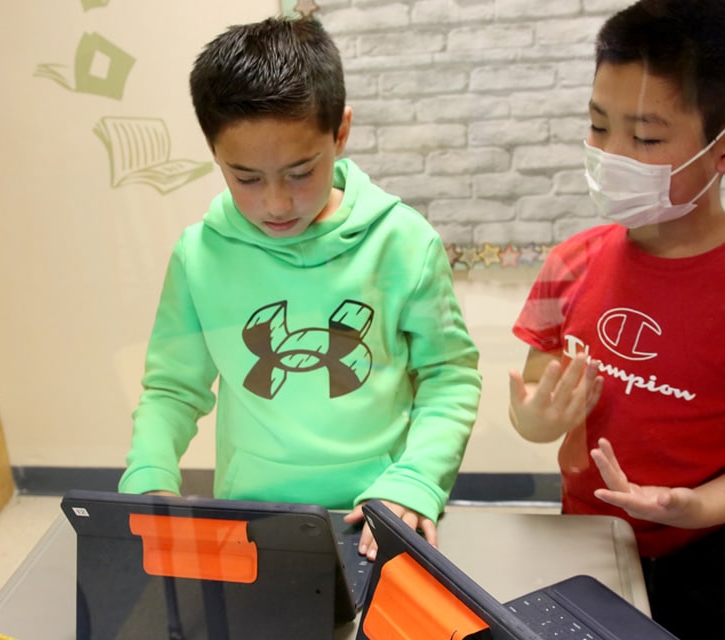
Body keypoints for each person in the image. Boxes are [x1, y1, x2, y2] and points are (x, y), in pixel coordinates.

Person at [117, 16, 482, 561]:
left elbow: (448, 376)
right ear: (214, 152)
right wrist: (149, 475)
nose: (276, 203)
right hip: (251, 518)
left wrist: (416, 479)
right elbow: (173, 388)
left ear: (341, 132)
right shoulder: (199, 256)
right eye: (246, 178)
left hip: (380, 513)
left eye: (300, 172)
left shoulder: (405, 243)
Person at [508, 1, 725, 637]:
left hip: (703, 559)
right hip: (582, 542)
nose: (610, 155)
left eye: (646, 138)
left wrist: (699, 505)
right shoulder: (569, 262)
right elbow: (534, 395)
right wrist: (535, 420)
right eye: (598, 126)